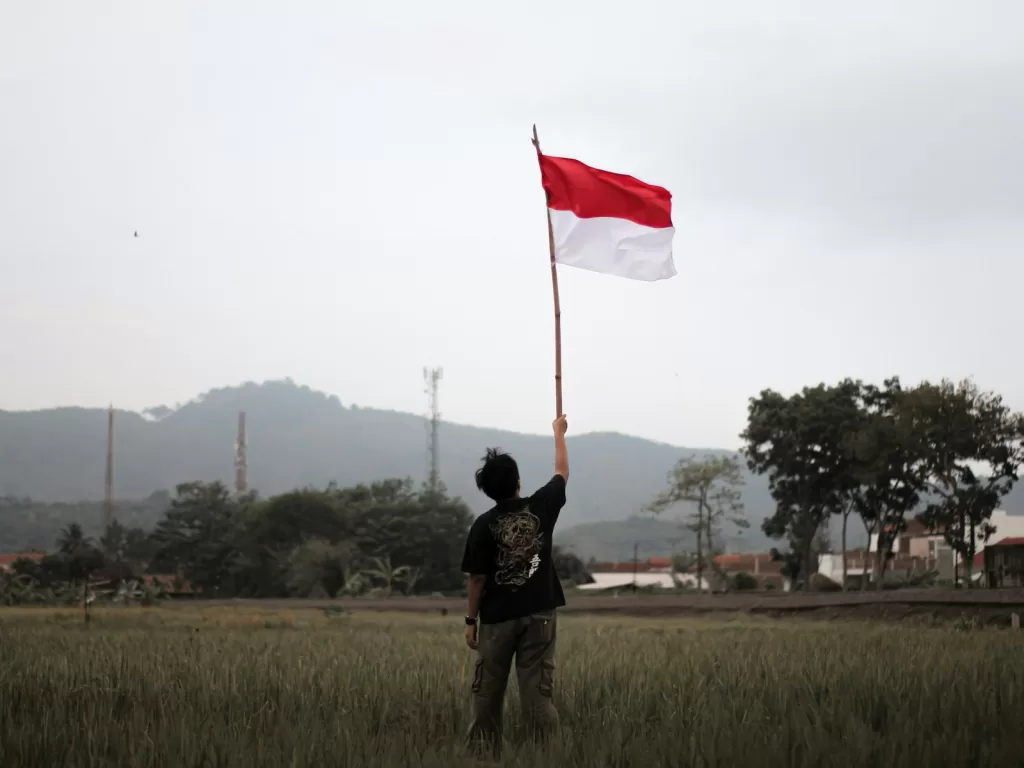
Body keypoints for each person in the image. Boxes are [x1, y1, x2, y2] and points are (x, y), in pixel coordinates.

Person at [461, 413, 569, 758]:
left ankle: (482, 756)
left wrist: (469, 620)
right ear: (518, 482)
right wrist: (558, 432)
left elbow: (477, 579)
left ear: (487, 490)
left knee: (487, 692)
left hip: (496, 619)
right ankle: (545, 757)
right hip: (540, 615)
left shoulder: (482, 526)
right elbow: (562, 472)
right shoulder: (541, 506)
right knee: (538, 691)